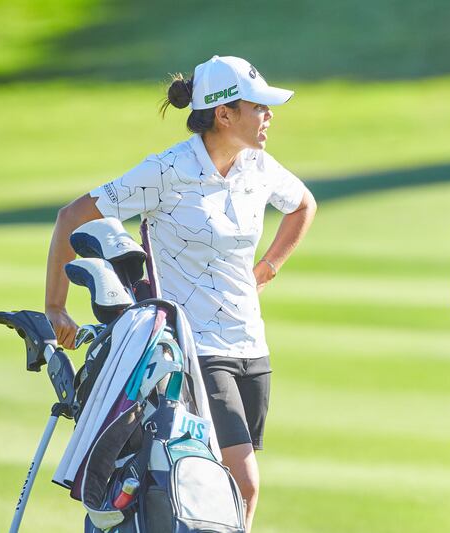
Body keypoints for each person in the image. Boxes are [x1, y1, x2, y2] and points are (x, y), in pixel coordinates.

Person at [45, 55, 317, 531]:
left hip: (251, 345)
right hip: (193, 348)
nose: (269, 115)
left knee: (229, 490)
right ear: (224, 113)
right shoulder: (167, 170)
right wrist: (55, 306)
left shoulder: (259, 166)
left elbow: (303, 206)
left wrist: (268, 267)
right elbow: (72, 217)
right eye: (259, 107)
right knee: (243, 482)